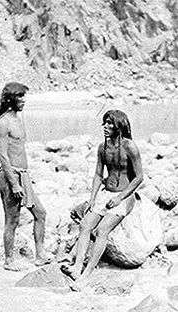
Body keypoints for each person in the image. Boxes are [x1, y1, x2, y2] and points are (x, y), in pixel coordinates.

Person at [61, 109, 143, 289]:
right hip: (106, 194)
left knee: (101, 231)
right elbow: (98, 174)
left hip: (124, 196)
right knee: (84, 225)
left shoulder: (130, 147)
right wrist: (92, 198)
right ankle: (76, 267)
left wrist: (120, 198)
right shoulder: (102, 147)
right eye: (104, 122)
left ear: (119, 126)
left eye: (110, 123)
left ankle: (87, 274)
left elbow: (139, 177)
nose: (105, 126)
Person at [0, 82, 52, 271]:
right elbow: (2, 155)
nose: (24, 101)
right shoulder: (2, 123)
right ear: (11, 99)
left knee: (40, 213)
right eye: (20, 97)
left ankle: (40, 254)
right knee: (12, 220)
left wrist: (25, 179)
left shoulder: (18, 119)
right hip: (11, 177)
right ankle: (9, 260)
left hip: (23, 175)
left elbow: (18, 150)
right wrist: (14, 183)